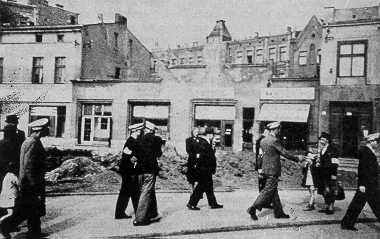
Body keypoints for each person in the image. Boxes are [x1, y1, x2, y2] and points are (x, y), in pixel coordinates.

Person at [1, 118, 49, 238]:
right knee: (26, 209)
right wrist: (33, 184)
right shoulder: (33, 143)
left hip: (30, 181)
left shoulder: (32, 141)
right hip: (31, 182)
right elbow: (28, 166)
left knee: (33, 208)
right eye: (46, 128)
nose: (48, 130)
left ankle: (34, 232)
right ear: (40, 130)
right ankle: (4, 227)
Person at [247, 121, 302, 220]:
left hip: (265, 169)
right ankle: (253, 208)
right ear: (275, 129)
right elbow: (284, 153)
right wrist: (297, 158)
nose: (279, 131)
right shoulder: (274, 140)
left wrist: (260, 168)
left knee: (274, 192)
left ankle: (279, 213)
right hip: (273, 170)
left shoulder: (263, 140)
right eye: (278, 129)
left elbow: (260, 156)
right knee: (267, 191)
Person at [341, 133, 380, 231]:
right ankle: (346, 224)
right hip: (366, 185)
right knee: (359, 205)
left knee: (372, 204)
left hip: (371, 184)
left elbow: (372, 168)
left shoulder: (369, 151)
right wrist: (362, 184)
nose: (378, 144)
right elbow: (362, 169)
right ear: (371, 141)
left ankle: (346, 223)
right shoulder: (365, 151)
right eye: (377, 141)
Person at [133, 121, 163, 226]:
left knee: (149, 191)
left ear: (145, 129)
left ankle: (153, 214)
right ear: (153, 130)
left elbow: (134, 156)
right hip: (150, 170)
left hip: (139, 171)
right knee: (146, 193)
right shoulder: (156, 140)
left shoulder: (138, 140)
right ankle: (140, 219)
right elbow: (159, 154)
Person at [187, 127, 223, 211]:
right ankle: (191, 203)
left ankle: (213, 203)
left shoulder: (207, 142)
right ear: (209, 135)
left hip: (207, 168)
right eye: (213, 135)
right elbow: (201, 156)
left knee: (209, 187)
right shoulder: (203, 143)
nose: (213, 137)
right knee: (201, 186)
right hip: (204, 169)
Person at [114, 123, 143, 219]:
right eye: (138, 131)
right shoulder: (130, 141)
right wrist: (135, 158)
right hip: (128, 171)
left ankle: (136, 211)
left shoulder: (134, 141)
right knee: (127, 192)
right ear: (134, 131)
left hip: (130, 171)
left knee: (132, 191)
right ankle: (120, 213)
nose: (139, 132)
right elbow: (127, 157)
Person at [315, 132, 339, 215]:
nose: (321, 140)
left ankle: (331, 207)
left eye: (322, 139)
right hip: (322, 173)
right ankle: (327, 206)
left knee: (331, 190)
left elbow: (335, 162)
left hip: (330, 173)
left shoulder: (333, 149)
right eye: (320, 139)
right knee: (324, 190)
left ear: (327, 140)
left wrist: (334, 174)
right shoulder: (322, 148)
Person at [302, 145, 319, 211]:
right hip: (308, 178)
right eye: (308, 156)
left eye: (310, 156)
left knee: (312, 191)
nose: (308, 157)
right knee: (310, 191)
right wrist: (305, 164)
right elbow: (303, 171)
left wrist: (312, 163)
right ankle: (312, 203)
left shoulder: (315, 163)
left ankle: (310, 205)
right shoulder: (307, 164)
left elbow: (317, 170)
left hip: (313, 178)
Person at [255, 127, 269, 192]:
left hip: (261, 161)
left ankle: (262, 190)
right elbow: (260, 153)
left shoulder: (260, 139)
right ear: (265, 132)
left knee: (262, 178)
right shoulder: (263, 140)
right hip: (262, 161)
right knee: (263, 178)